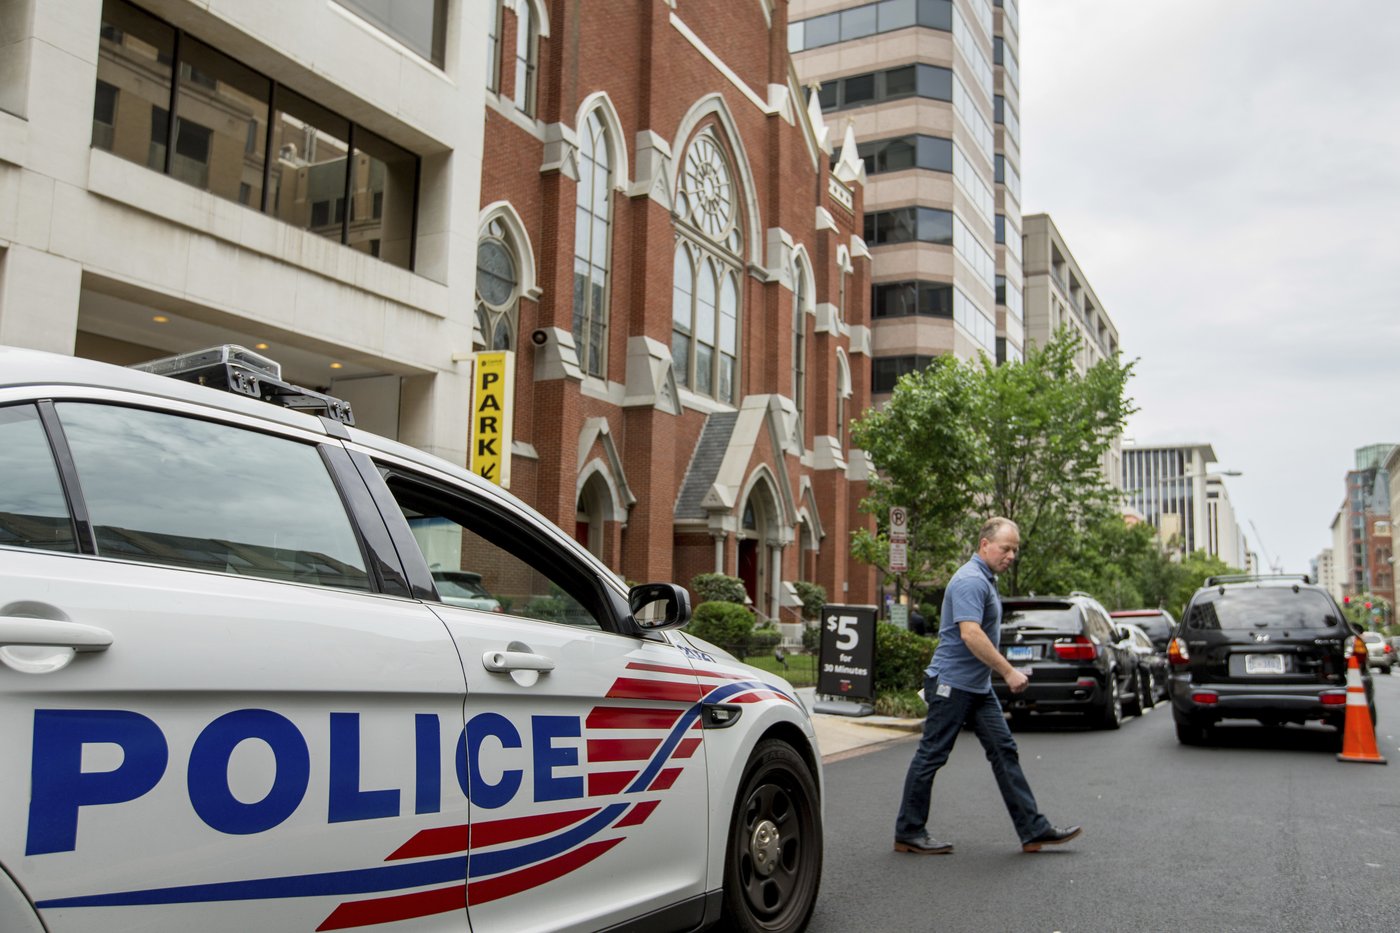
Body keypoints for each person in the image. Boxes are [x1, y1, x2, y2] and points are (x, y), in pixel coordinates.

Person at [893, 517, 1081, 855]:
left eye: (1015, 550)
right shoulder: (969, 580)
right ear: (984, 545)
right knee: (932, 755)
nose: (1011, 555)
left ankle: (1034, 830)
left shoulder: (985, 579)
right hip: (951, 684)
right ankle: (909, 831)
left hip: (976, 688)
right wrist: (1008, 671)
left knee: (1004, 751)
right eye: (1006, 548)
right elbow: (970, 634)